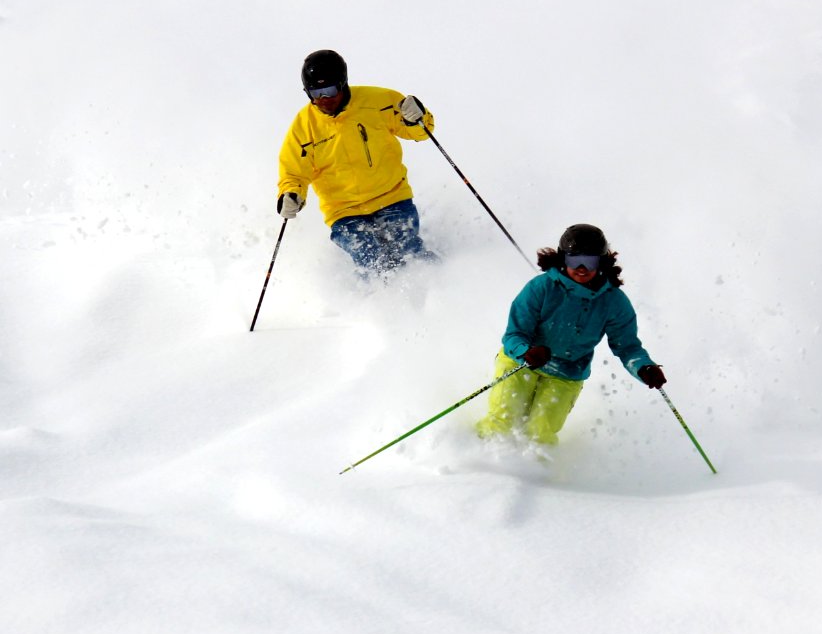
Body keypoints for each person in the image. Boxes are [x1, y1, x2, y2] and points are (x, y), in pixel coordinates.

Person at [475, 224, 667, 446]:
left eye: (591, 261)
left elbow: (627, 346)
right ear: (563, 259)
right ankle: (478, 466)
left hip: (566, 372)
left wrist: (644, 367)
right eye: (575, 260)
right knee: (503, 420)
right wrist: (526, 352)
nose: (582, 268)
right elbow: (514, 334)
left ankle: (531, 475)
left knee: (540, 434)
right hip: (522, 363)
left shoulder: (614, 301)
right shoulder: (541, 287)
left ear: (602, 262)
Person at [276, 49, 437, 275]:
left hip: (391, 196)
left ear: (343, 84)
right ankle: (377, 303)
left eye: (329, 90)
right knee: (371, 259)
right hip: (344, 211)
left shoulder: (380, 102)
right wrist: (291, 194)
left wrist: (417, 119)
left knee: (406, 250)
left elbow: (422, 132)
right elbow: (293, 173)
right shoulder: (303, 128)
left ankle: (439, 281)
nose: (324, 99)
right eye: (315, 92)